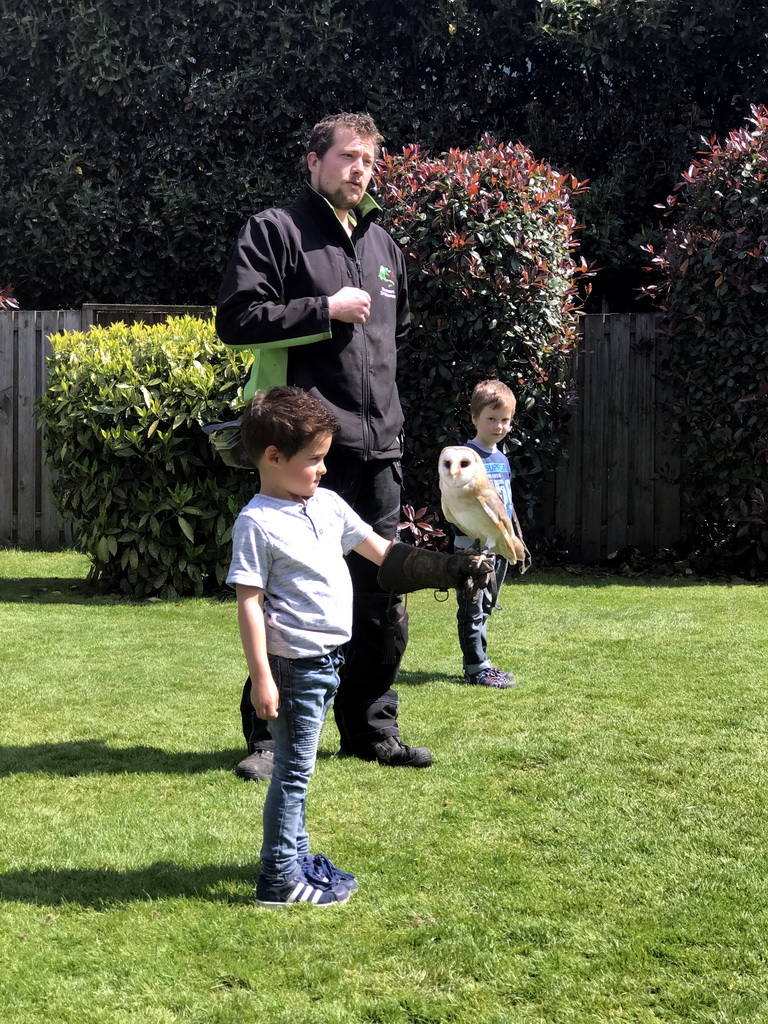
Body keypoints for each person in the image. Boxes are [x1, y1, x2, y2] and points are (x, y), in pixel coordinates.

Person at [216, 111, 426, 781]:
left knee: (379, 599)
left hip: (381, 452)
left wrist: (389, 424)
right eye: (346, 156)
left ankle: (371, 731)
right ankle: (270, 740)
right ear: (314, 162)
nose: (359, 168)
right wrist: (323, 310)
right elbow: (236, 321)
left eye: (368, 158)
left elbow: (391, 342)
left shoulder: (386, 247)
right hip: (307, 457)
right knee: (286, 601)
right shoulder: (274, 231)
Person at [227, 386, 492, 906]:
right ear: (274, 458)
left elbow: (383, 553)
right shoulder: (256, 523)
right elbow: (249, 604)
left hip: (329, 661)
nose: (323, 469)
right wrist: (261, 676)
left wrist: (449, 567)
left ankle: (296, 857)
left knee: (298, 765)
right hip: (293, 665)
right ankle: (278, 879)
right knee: (293, 770)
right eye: (314, 460)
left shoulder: (324, 504)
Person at [453, 380, 520, 689]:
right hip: (473, 549)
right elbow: (456, 504)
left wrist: (512, 536)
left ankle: (484, 663)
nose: (499, 426)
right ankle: (476, 667)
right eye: (491, 418)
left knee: (486, 606)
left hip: (498, 546)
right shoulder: (465, 458)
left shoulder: (502, 459)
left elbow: (505, 506)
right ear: (474, 418)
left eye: (504, 419)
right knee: (472, 607)